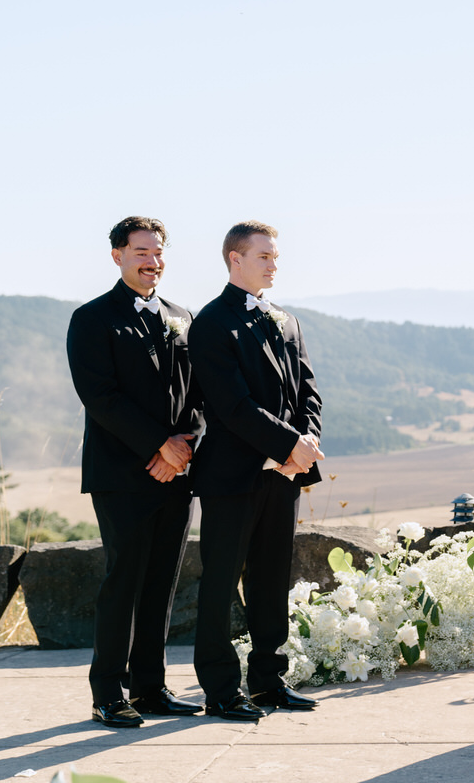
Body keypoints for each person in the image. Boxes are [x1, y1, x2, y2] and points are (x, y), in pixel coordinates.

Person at [66, 216, 204, 728]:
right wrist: (157, 447)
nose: (153, 260)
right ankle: (107, 692)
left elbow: (199, 393)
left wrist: (185, 447)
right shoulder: (92, 318)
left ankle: (150, 687)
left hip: (178, 470)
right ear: (118, 256)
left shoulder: (183, 316)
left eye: (159, 251)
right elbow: (100, 396)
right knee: (124, 580)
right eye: (142, 251)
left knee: (162, 583)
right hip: (122, 473)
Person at [189, 221, 325, 721]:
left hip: (282, 476)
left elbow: (308, 391)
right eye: (263, 255)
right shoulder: (210, 324)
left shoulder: (286, 320)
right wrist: (290, 445)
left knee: (271, 581)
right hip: (231, 477)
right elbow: (232, 406)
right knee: (221, 583)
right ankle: (221, 690)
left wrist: (305, 442)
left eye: (275, 256)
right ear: (234, 259)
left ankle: (269, 682)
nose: (273, 264)